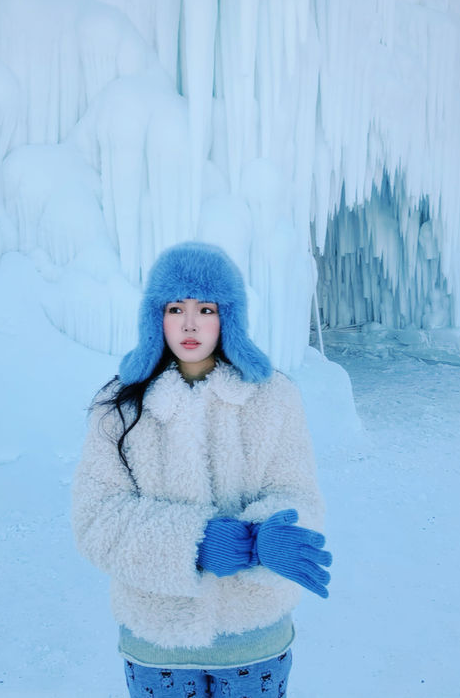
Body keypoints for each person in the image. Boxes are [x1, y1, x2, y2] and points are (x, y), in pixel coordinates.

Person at [71, 241, 332, 697]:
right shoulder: (117, 406)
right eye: (176, 308)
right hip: (157, 641)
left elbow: (298, 492)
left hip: (254, 637)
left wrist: (268, 533)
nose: (190, 323)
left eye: (206, 308)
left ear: (229, 316)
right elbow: (96, 518)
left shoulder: (274, 398)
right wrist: (191, 543)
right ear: (156, 317)